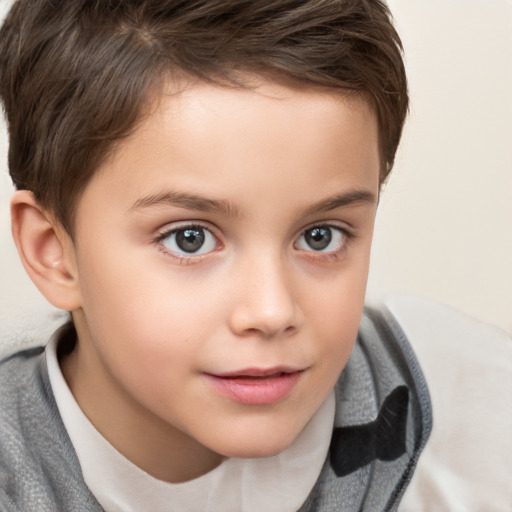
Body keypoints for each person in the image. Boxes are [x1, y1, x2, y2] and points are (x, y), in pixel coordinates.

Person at [0, 1, 510, 511]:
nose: (271, 311)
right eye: (190, 239)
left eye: (320, 236)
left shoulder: (473, 411)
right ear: (54, 252)